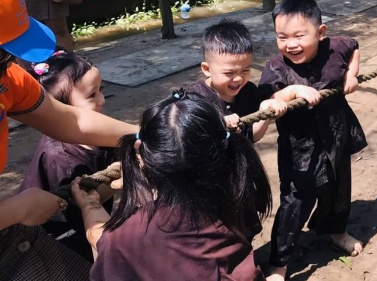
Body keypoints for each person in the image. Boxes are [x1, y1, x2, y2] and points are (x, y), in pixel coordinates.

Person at [0, 0, 137, 278]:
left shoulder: (8, 80)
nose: (12, 65)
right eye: (4, 54)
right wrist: (14, 210)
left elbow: (71, 119)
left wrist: (144, 135)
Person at [72, 93, 271, 280]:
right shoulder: (235, 201)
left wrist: (90, 206)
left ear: (142, 157)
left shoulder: (124, 238)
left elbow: (105, 241)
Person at [259, 0, 367, 281]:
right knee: (295, 202)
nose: (290, 44)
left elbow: (354, 46)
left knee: (339, 189)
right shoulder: (276, 68)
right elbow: (268, 99)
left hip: (336, 135)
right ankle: (279, 264)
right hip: (300, 149)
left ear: (320, 33)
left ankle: (336, 231)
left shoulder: (334, 48)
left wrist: (351, 75)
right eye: (282, 37)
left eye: (299, 36)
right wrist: (292, 91)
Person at [19, 50, 115, 262]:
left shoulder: (102, 131)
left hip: (90, 220)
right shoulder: (60, 157)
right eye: (91, 95)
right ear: (61, 110)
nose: (102, 100)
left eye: (101, 90)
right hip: (60, 238)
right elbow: (77, 210)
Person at [184, 19, 287, 143]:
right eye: (229, 73)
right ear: (207, 69)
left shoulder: (249, 91)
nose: (238, 78)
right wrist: (219, 125)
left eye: (245, 70)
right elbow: (184, 138)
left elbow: (252, 136)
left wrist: (264, 110)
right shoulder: (193, 98)